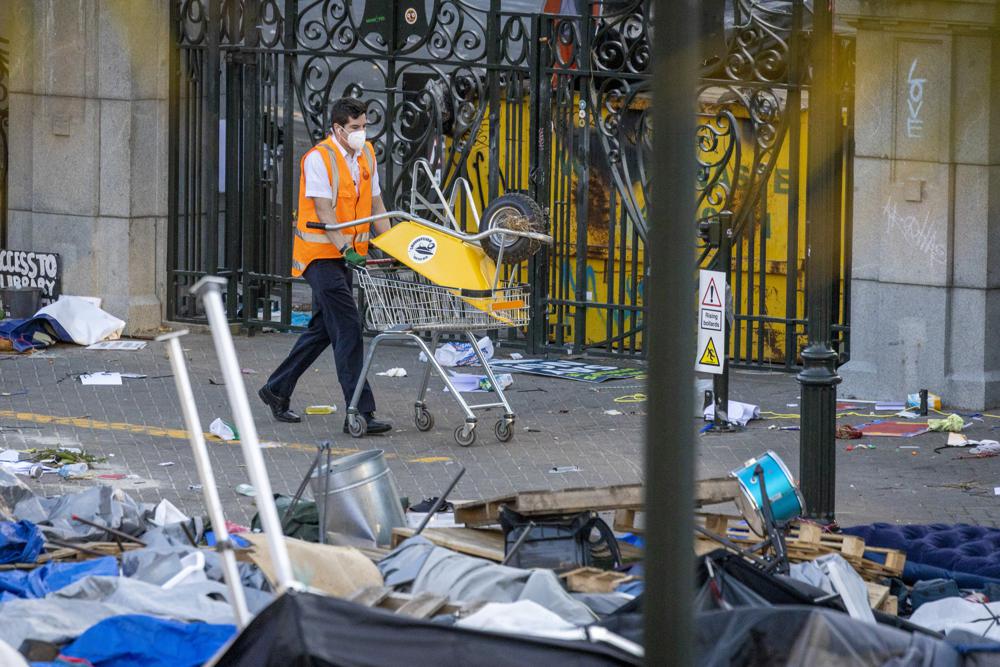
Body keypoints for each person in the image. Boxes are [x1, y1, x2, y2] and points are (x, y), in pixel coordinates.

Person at [258, 97, 392, 434]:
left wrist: (392, 243)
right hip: (320, 257)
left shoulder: (366, 154)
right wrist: (346, 249)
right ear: (337, 128)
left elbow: (376, 202)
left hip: (344, 255)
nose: (362, 133)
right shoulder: (318, 159)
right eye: (355, 128)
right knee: (348, 327)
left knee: (322, 329)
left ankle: (276, 389)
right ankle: (359, 411)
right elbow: (323, 210)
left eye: (364, 127)